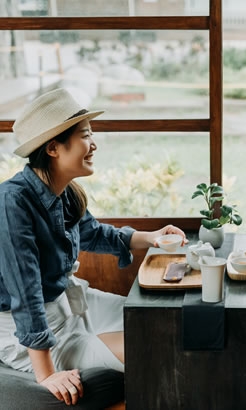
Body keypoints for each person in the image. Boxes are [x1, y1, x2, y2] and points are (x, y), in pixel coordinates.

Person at [0, 88, 187, 406]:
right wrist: (46, 375)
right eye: (85, 135)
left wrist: (151, 237)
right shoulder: (12, 202)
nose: (94, 144)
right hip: (30, 332)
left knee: (165, 324)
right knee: (155, 349)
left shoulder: (66, 192)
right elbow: (26, 295)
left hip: (75, 303)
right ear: (54, 148)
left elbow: (93, 233)